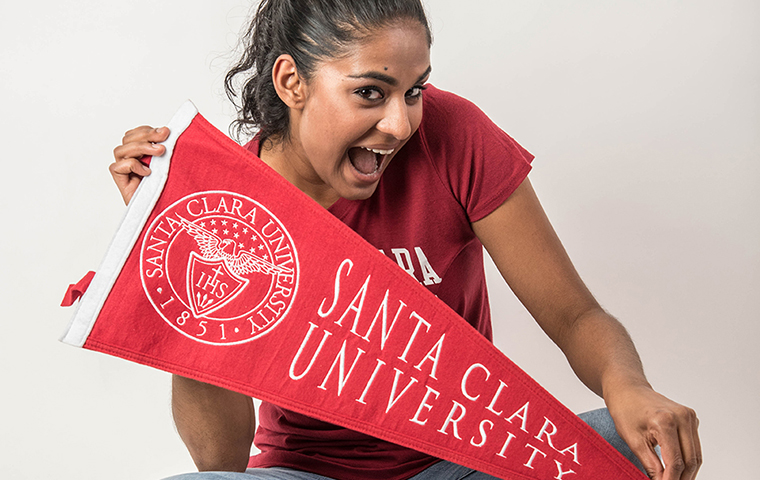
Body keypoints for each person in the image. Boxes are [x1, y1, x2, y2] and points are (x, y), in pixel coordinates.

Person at [109, 1, 701, 479]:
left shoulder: (454, 137)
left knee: (634, 446)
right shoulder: (235, 211)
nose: (399, 124)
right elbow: (221, 463)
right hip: (307, 474)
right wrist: (177, 239)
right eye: (370, 92)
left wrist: (631, 387)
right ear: (292, 82)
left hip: (469, 461)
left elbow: (574, 315)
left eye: (414, 91)